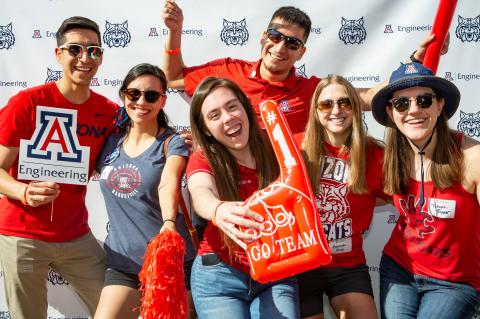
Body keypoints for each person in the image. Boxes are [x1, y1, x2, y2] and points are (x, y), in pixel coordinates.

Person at [162, 1, 438, 142]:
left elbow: (367, 97)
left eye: (292, 43)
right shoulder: (229, 71)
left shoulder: (311, 91)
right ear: (263, 36)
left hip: (282, 197)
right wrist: (174, 33)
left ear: (301, 52)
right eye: (275, 36)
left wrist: (412, 63)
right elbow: (173, 78)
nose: (281, 47)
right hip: (231, 188)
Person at [0, 17, 118, 318]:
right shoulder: (27, 103)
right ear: (58, 54)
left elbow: (142, 144)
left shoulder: (108, 113)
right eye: (75, 49)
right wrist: (23, 191)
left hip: (76, 235)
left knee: (118, 309)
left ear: (101, 57)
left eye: (93, 50)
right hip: (22, 235)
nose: (84, 58)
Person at [371, 62, 480, 319]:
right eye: (401, 104)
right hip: (399, 269)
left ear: (440, 104)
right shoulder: (389, 159)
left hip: (455, 282)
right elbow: (355, 198)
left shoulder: (471, 156)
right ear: (391, 111)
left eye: (424, 100)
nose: (414, 110)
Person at [186, 77, 301, 319]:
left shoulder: (276, 144)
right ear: (205, 128)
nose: (228, 118)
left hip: (276, 269)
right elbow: (200, 191)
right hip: (219, 276)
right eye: (214, 115)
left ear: (245, 107)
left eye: (231, 106)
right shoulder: (203, 157)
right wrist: (217, 209)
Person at [93, 63, 195, 319]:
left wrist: (169, 222)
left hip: (170, 264)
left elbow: (168, 181)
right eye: (133, 94)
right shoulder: (109, 141)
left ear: (162, 101)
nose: (141, 101)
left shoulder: (173, 143)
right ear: (123, 95)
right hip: (124, 264)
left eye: (151, 96)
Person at [299, 75, 388, 319]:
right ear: (315, 110)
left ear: (356, 108)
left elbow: (400, 195)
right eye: (326, 104)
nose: (336, 110)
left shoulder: (375, 155)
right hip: (301, 265)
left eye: (345, 102)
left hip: (347, 265)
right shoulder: (296, 149)